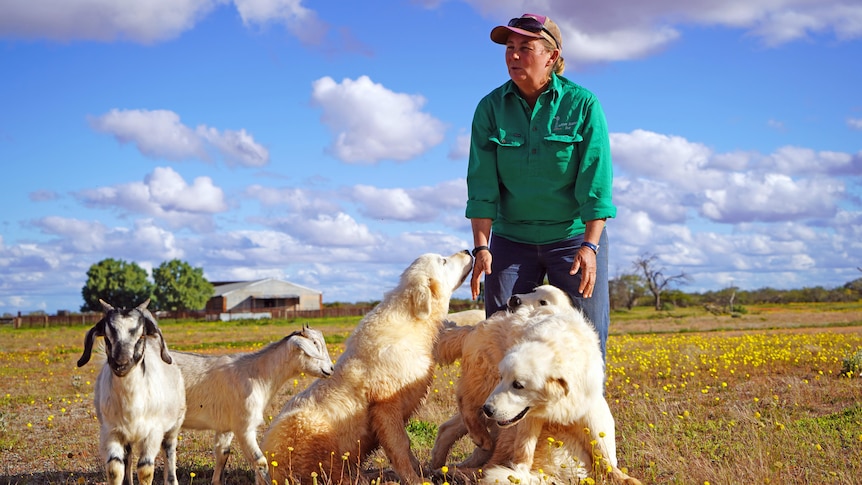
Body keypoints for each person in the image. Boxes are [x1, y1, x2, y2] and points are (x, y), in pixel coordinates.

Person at [465, 13, 616, 360]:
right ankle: (507, 415)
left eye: (525, 48)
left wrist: (590, 247)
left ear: (552, 56)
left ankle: (579, 414)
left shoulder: (583, 104)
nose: (514, 56)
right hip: (511, 239)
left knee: (584, 340)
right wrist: (481, 248)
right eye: (510, 48)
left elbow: (597, 180)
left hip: (574, 238)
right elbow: (481, 184)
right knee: (502, 337)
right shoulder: (490, 108)